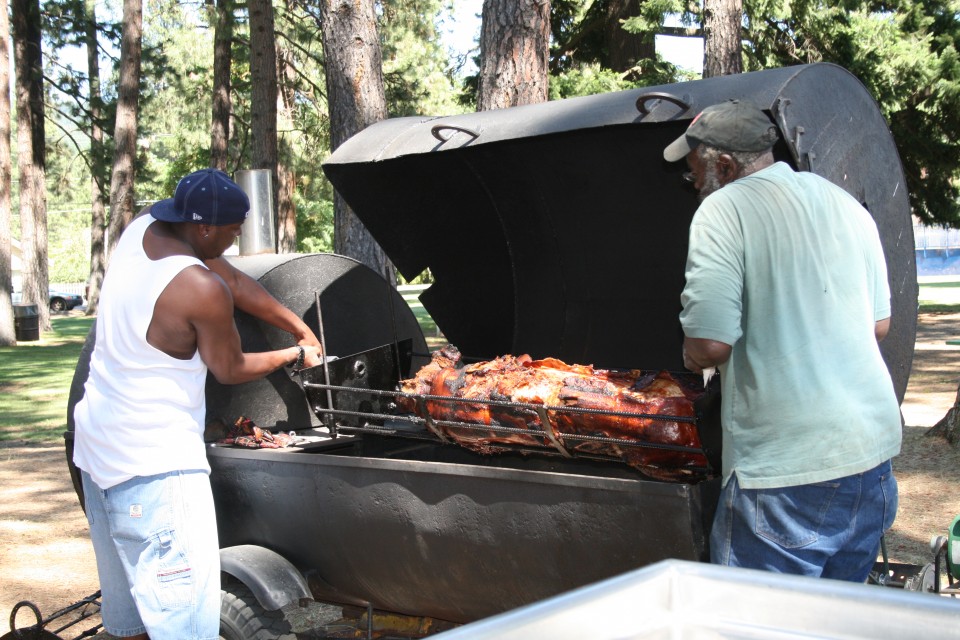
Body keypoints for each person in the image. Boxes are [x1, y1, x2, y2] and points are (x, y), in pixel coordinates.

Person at [73, 168, 324, 640]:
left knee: (131, 624)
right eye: (231, 231)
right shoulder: (197, 288)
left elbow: (229, 275)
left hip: (98, 451)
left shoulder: (143, 229)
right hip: (158, 469)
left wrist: (299, 326)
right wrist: (294, 352)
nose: (234, 242)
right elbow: (229, 368)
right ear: (205, 228)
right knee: (187, 627)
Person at [664, 99, 901, 582]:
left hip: (784, 480)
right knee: (836, 624)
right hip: (871, 465)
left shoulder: (723, 210)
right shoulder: (844, 203)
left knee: (755, 624)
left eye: (693, 176)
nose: (693, 189)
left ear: (724, 166)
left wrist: (690, 355)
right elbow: (878, 326)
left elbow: (709, 346)